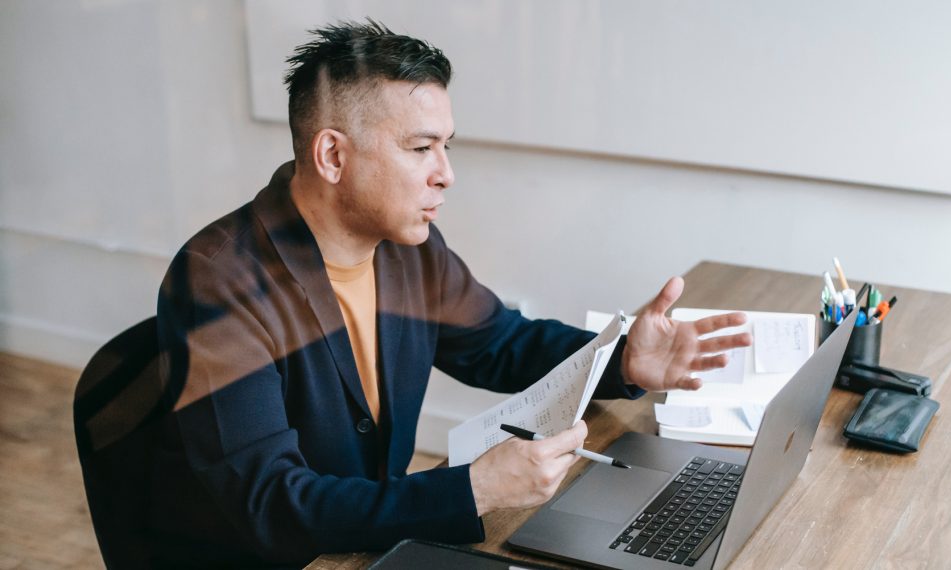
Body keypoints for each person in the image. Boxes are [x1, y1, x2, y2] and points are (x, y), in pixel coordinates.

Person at [148, 20, 751, 568]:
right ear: (333, 155)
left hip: (373, 541)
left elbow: (499, 343)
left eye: (446, 145)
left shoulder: (409, 247)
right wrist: (476, 489)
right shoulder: (216, 282)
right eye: (420, 148)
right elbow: (271, 503)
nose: (446, 172)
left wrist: (621, 360)